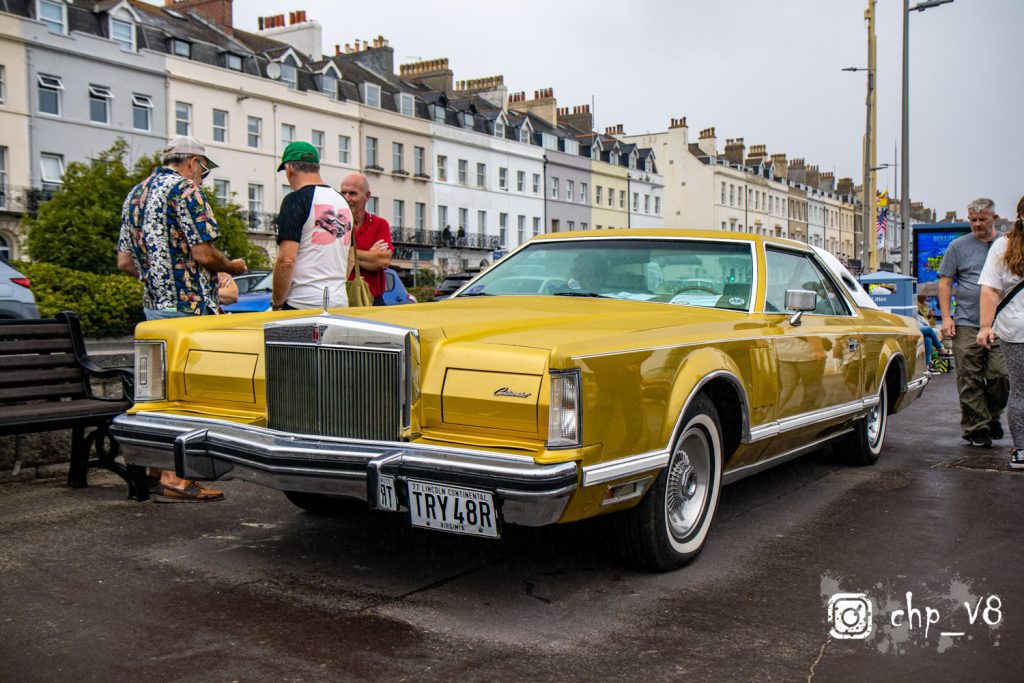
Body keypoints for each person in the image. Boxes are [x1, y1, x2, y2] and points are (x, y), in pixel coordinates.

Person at [117, 134, 247, 502]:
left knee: (158, 391)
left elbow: (125, 262)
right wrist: (232, 266)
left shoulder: (135, 195)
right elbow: (204, 254)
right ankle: (177, 480)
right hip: (190, 310)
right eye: (203, 170)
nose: (202, 178)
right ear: (191, 162)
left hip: (154, 309)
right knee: (186, 395)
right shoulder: (185, 192)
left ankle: (158, 469)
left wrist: (157, 273)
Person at [938, 197, 1009, 448]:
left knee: (1002, 375)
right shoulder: (958, 247)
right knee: (969, 377)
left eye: (982, 219)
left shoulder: (1006, 246)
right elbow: (946, 282)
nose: (977, 224)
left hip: (1002, 323)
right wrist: (947, 318)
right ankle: (976, 427)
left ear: (994, 218)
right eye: (972, 220)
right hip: (967, 322)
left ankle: (991, 415)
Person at [271, 141, 354, 311]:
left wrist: (277, 303)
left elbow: (287, 260)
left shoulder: (295, 200)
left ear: (289, 170)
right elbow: (351, 257)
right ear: (317, 167)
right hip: (339, 303)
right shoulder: (342, 202)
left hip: (303, 304)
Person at [977, 196, 1024, 469]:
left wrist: (986, 326)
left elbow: (991, 289)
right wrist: (984, 326)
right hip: (1017, 329)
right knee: (1020, 391)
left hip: (1014, 328)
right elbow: (990, 290)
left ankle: (1021, 450)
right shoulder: (1004, 245)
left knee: (1020, 391)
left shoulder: (1002, 245)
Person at [339, 173, 393, 306]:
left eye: (352, 193)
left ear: (367, 196)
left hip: (373, 301)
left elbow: (383, 260)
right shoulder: (334, 223)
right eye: (343, 193)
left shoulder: (379, 224)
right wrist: (370, 254)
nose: (346, 198)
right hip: (342, 301)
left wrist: (349, 254)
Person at [916, 293, 944, 373]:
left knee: (928, 339)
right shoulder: (916, 304)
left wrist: (930, 315)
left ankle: (927, 365)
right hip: (919, 326)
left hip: (923, 324)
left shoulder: (925, 305)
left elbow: (925, 317)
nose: (925, 297)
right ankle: (940, 348)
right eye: (924, 295)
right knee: (930, 330)